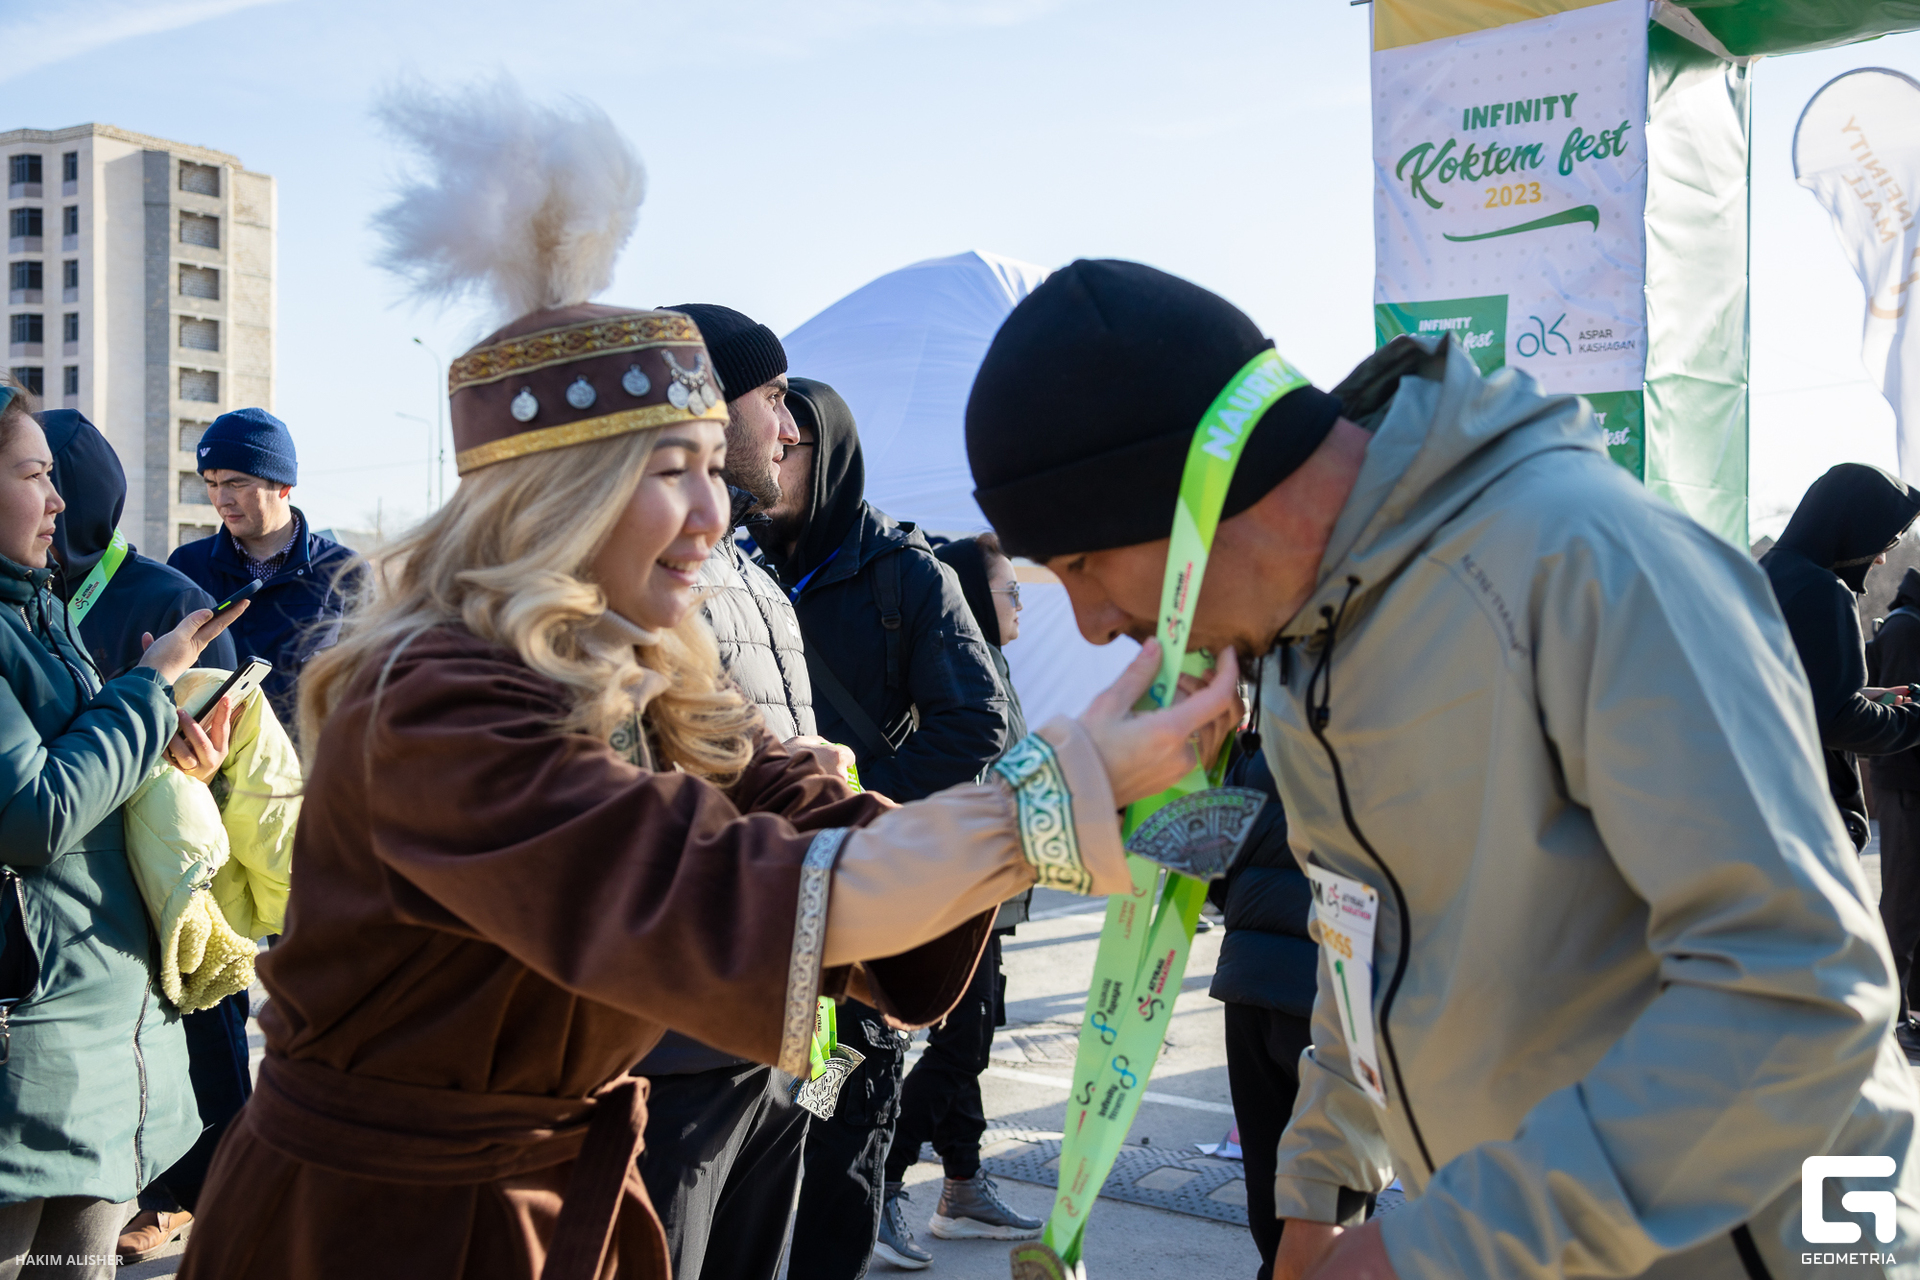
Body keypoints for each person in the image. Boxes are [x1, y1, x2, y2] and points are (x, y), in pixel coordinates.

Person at [174, 89, 1239, 1280]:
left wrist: (1069, 801)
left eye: (710, 470)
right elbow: (720, 886)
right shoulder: (434, 697)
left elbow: (812, 816)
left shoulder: (650, 668)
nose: (710, 513)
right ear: (559, 500)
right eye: (668, 471)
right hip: (373, 1226)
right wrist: (1054, 797)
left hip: (535, 1202)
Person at [964, 258, 1920, 1279]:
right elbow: (1363, 942)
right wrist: (1321, 1192)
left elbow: (1798, 996)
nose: (1093, 624)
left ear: (1197, 487)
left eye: (1082, 565)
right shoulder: (1306, 648)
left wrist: (1432, 1250)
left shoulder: (1582, 559)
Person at [762, 378, 1011, 1280]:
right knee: (763, 1134)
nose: (769, 453)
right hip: (766, 894)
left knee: (841, 1122)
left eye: (789, 444)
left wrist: (857, 801)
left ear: (826, 456)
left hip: (862, 891)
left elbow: (979, 721)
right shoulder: (736, 563)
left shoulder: (906, 573)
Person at [0, 377, 245, 1280]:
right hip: (32, 1050)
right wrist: (148, 688)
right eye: (33, 475)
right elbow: (33, 815)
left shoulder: (39, 609)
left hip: (105, 1048)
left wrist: (171, 766)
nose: (57, 501)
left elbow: (90, 780)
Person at [633, 302, 815, 1280]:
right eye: (773, 397)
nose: (789, 427)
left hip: (776, 1014)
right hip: (681, 1036)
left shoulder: (755, 575)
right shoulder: (639, 581)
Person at [869, 532, 1043, 1268]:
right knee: (943, 1042)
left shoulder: (990, 663)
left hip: (986, 890)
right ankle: (877, 1179)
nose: (1021, 603)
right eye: (1010, 590)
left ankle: (962, 1185)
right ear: (975, 593)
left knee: (966, 1039)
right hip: (959, 890)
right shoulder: (959, 675)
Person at [1205, 743, 1333, 1280]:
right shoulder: (1380, 743)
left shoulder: (1259, 754)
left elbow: (1212, 868)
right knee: (1331, 1174)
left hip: (1249, 979)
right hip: (1330, 990)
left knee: (1265, 1162)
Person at [1761, 464, 1920, 857]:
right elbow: (1837, 721)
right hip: (1813, 823)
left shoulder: (1761, 575)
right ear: (1854, 526)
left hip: (1764, 805)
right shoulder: (1822, 589)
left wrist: (1855, 694)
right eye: (1885, 542)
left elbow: (1782, 696)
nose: (1881, 560)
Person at [167, 408, 359, 725]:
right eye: (211, 483)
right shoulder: (186, 566)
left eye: (236, 483)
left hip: (305, 754)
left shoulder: (344, 571)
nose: (221, 499)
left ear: (283, 485)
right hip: (205, 755)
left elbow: (368, 687)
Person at [38, 409, 237, 679]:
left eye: (34, 477)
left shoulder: (178, 603)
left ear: (65, 501)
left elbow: (220, 707)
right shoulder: (17, 600)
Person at [1870, 563, 1920, 1063]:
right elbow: (1897, 714)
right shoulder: (1907, 628)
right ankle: (1891, 1020)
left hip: (1910, 783)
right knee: (1902, 908)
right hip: (1906, 785)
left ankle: (1909, 1013)